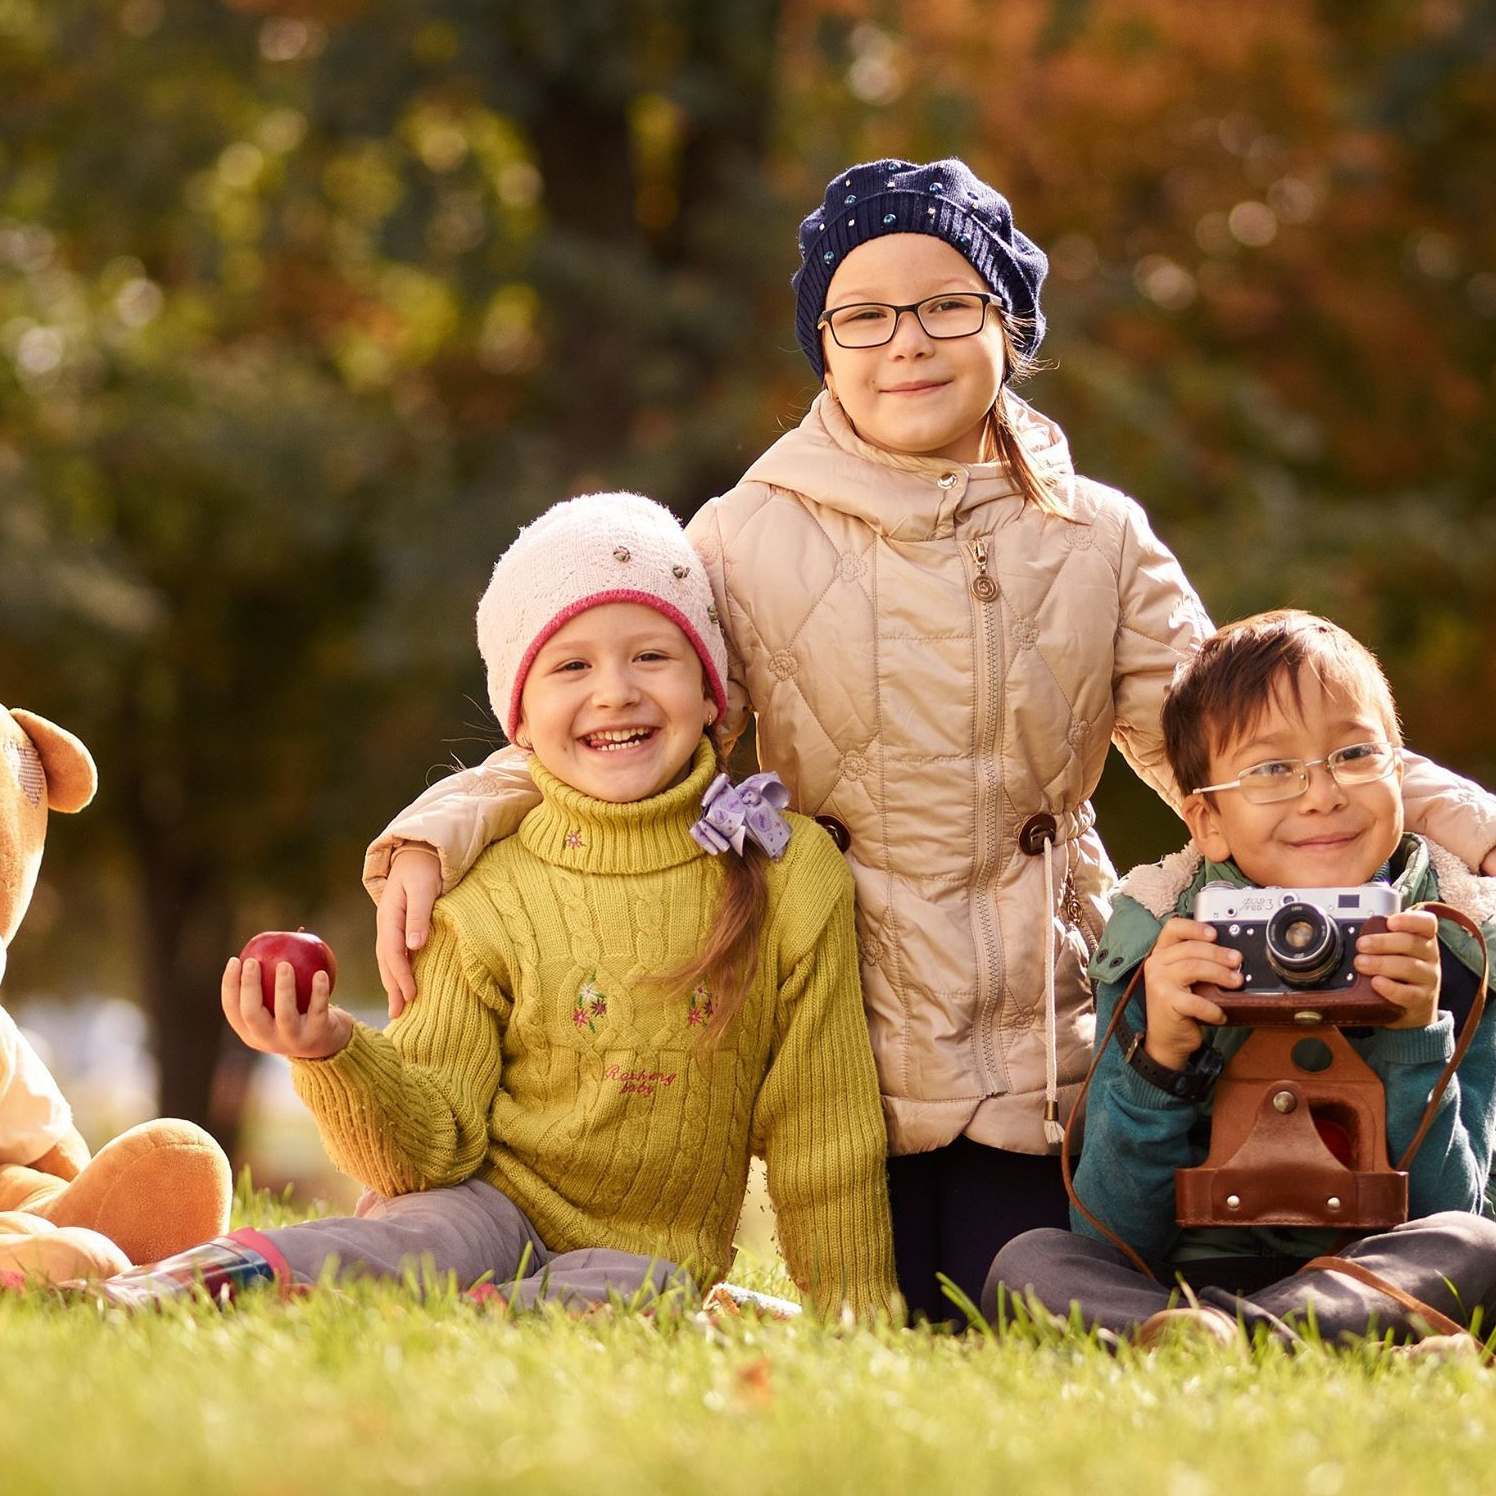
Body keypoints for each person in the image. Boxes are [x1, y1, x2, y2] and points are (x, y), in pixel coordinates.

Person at [363, 159, 1496, 1323]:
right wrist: (432, 830)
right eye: (862, 315)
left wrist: (1464, 817)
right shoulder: (748, 534)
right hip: (853, 1042)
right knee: (909, 1311)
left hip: (1041, 1032)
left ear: (1007, 325)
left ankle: (1268, 1316)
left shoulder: (1095, 537)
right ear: (823, 343)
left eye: (947, 303)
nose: (905, 340)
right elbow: (621, 722)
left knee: (1036, 1297)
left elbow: (1247, 736)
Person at [82, 494, 898, 1317]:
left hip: (642, 1253)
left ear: (712, 687)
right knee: (416, 1241)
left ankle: (481, 1319)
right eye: (571, 666)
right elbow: (429, 1148)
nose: (614, 692)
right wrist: (330, 1052)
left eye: (652, 655)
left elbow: (823, 1127)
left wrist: (854, 1312)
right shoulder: (482, 892)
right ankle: (170, 1290)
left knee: (641, 1289)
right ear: (522, 718)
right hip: (482, 1204)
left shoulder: (790, 875)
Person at [985, 610, 1496, 1349]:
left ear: (1400, 769)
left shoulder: (1458, 939)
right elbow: (1112, 1229)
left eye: (1355, 754)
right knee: (1028, 1261)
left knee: (1476, 1248)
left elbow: (1459, 1202)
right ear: (1207, 822)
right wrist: (1158, 1059)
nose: (1320, 794)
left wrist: (1416, 1037)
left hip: (1368, 1270)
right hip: (1185, 1277)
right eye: (1272, 770)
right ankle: (1255, 1337)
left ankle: (1216, 1339)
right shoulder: (1162, 937)